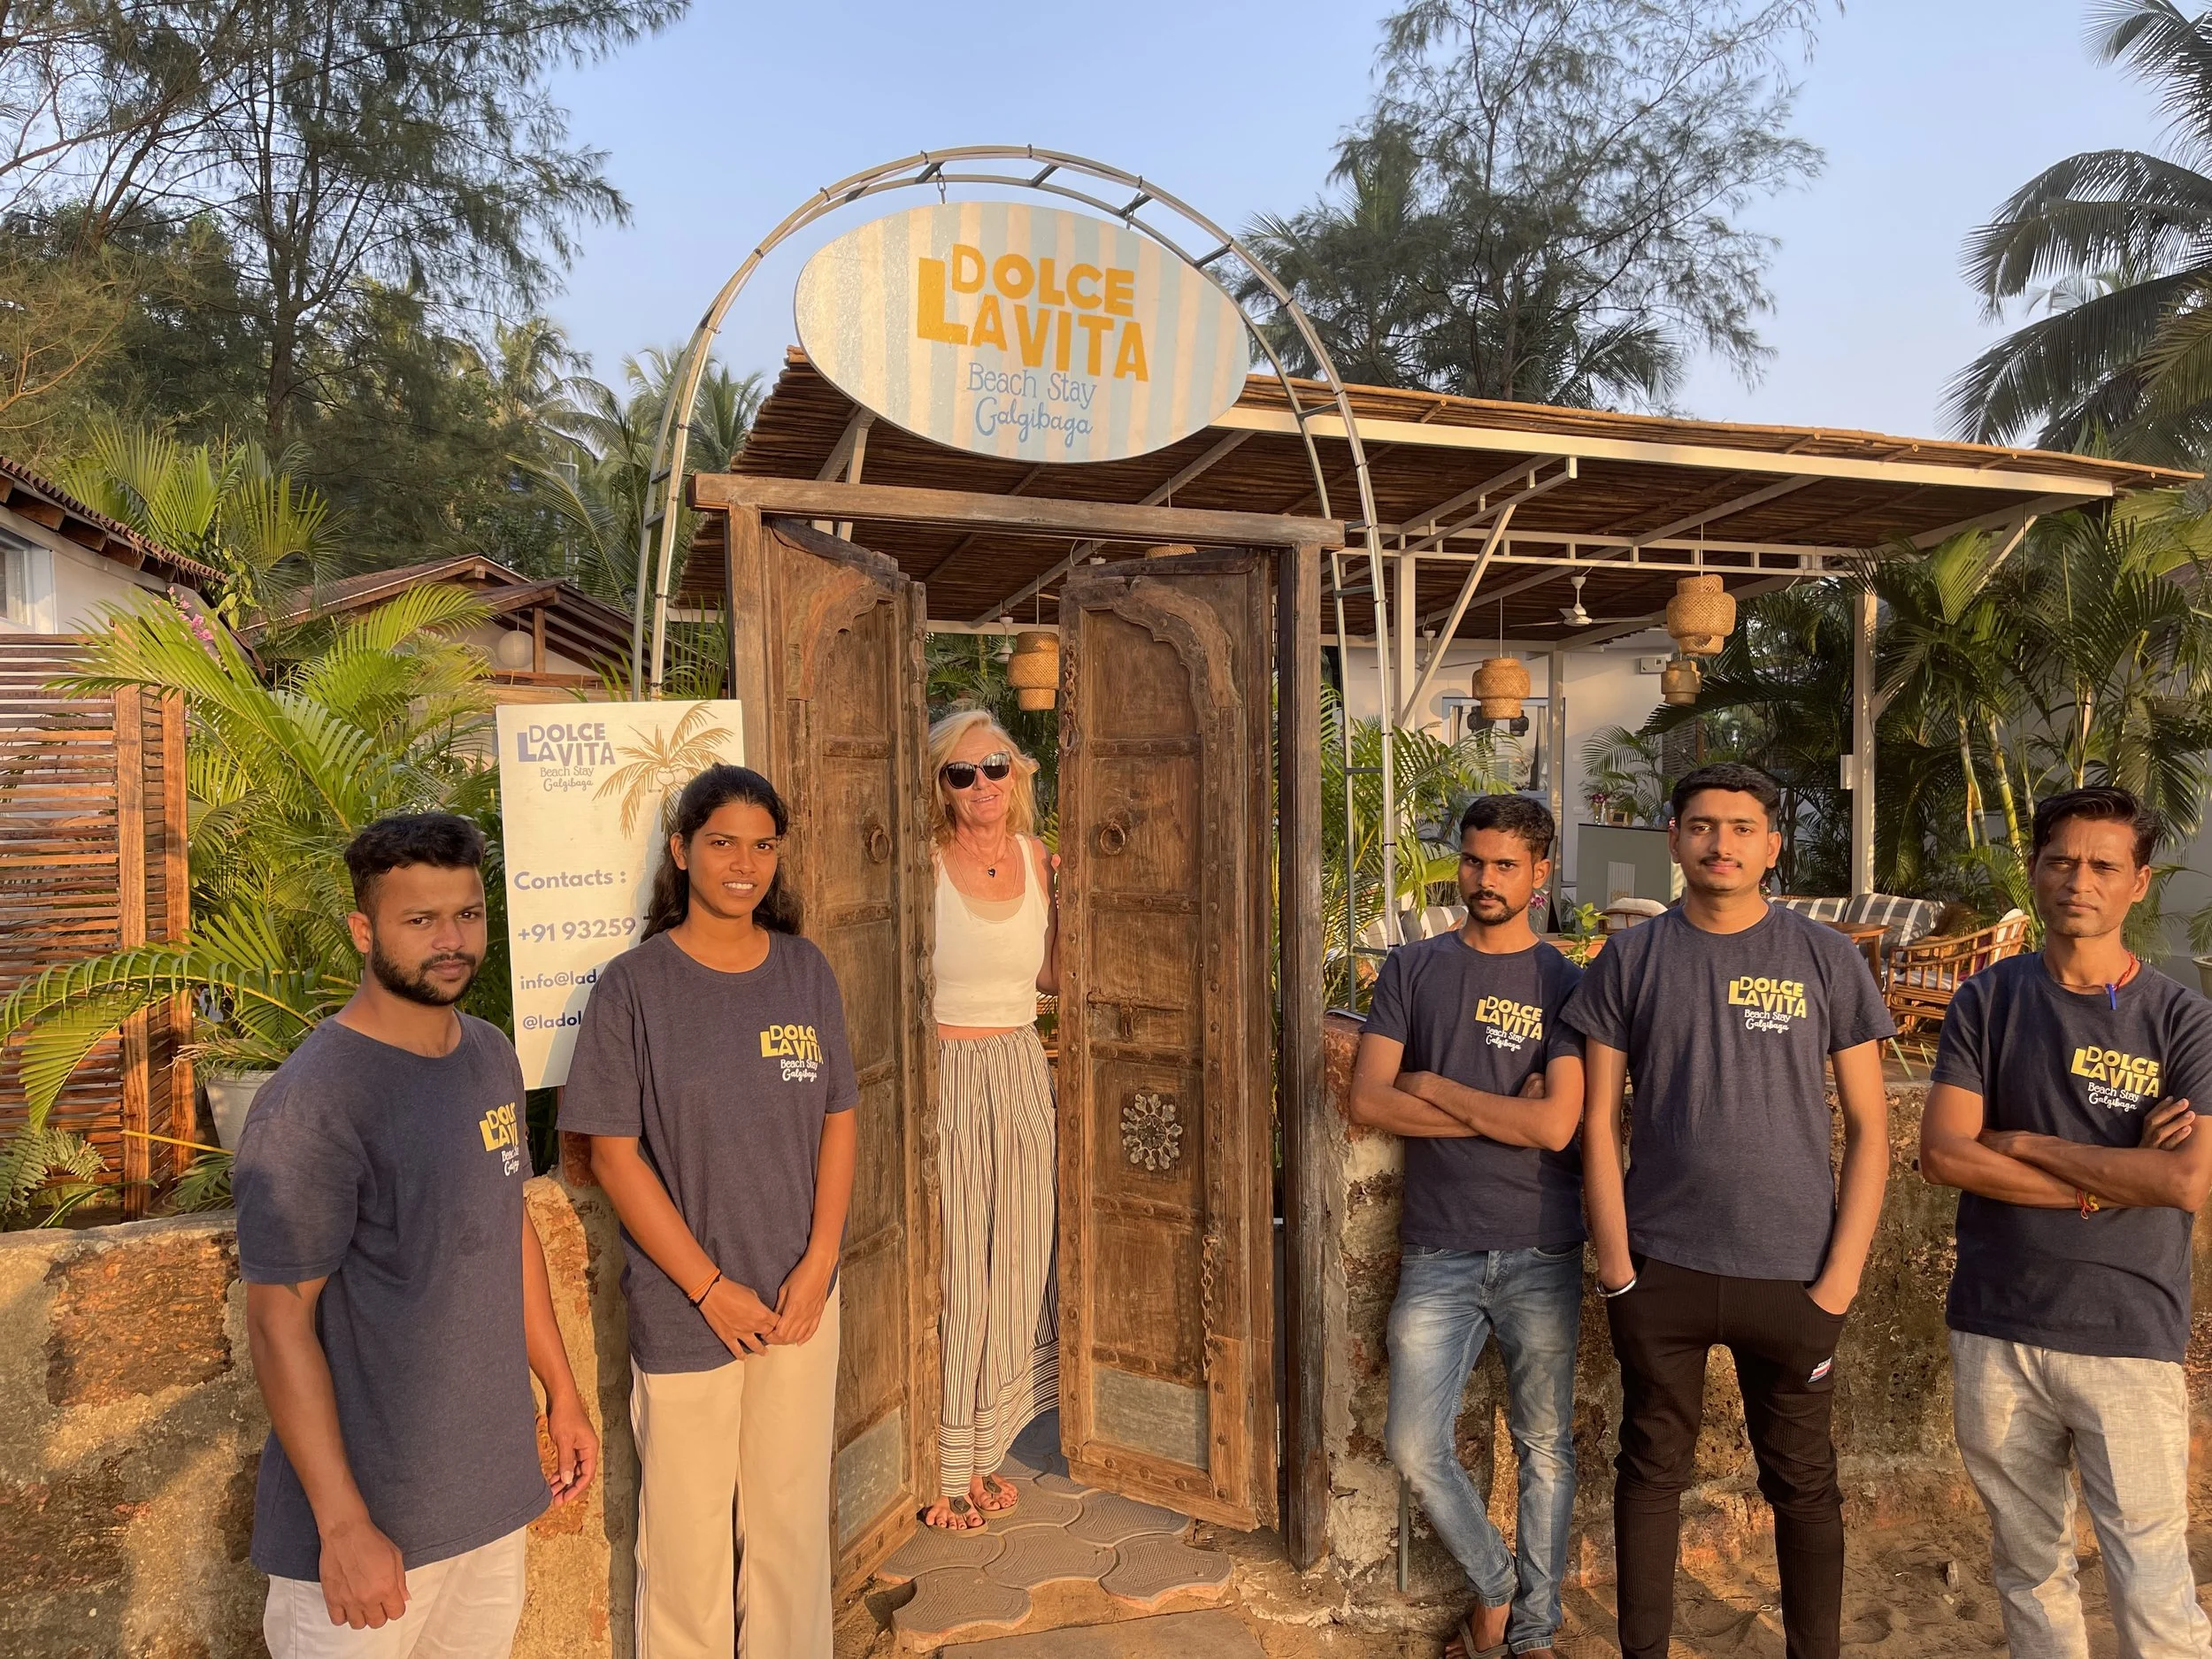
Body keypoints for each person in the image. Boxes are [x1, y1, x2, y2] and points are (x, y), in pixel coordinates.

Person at [236, 813, 598, 1659]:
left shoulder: (489, 1055)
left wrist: (562, 1388)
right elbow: (277, 1322)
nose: (451, 940)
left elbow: (508, 1228)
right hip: (371, 1536)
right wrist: (344, 1524)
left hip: (487, 1503)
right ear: (364, 928)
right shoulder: (313, 1103)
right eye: (420, 919)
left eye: (467, 914)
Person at [1564, 761, 1894, 1659]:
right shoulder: (1628, 959)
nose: (1721, 843)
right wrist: (1617, 1267)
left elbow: (1871, 1127)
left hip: (1793, 1274)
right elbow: (1597, 1121)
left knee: (1802, 1481)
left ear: (1772, 846)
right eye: (1702, 825)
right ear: (1673, 838)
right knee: (1648, 1475)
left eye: (1742, 828)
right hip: (1660, 1270)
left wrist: (1838, 1282)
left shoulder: (1824, 957)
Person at [560, 765, 857, 1659]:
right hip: (689, 1309)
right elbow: (612, 1156)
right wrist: (708, 1288)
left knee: (790, 1532)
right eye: (722, 842)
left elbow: (839, 1122)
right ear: (683, 852)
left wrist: (818, 1268)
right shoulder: (634, 986)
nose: (744, 864)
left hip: (800, 1302)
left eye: (762, 845)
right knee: (685, 1548)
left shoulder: (805, 971)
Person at [1919, 787, 2212, 1659]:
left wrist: (2030, 1143)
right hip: (1995, 1324)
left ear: (2137, 884)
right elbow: (1945, 1155)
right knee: (2026, 1564)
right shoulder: (1986, 1002)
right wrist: (2112, 1180)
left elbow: (2188, 1180)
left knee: (2149, 1569)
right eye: (2060, 861)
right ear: (2036, 871)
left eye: (2101, 866)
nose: (2076, 880)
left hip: (2127, 1330)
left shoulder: (2182, 1020)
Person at [1351, 794, 1587, 1659]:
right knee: (1412, 1444)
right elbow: (1368, 1098)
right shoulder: (1413, 970)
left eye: (1503, 866)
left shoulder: (1566, 985)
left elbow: (1556, 1128)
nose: (1483, 881)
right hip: (1440, 1245)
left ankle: (1532, 1638)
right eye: (1473, 860)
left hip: (1541, 1243)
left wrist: (1437, 1090)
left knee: (1545, 1452)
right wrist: (1501, 1113)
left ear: (1537, 875)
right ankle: (1493, 1587)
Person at [923, 708, 1061, 1532]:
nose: (982, 785)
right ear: (940, 786)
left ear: (1020, 776)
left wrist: (1078, 902)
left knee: (1015, 1265)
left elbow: (1049, 975)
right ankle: (941, 1462)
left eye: (996, 767)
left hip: (1017, 1064)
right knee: (956, 1271)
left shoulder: (1040, 860)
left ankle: (983, 1454)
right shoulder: (921, 864)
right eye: (962, 772)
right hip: (946, 1072)